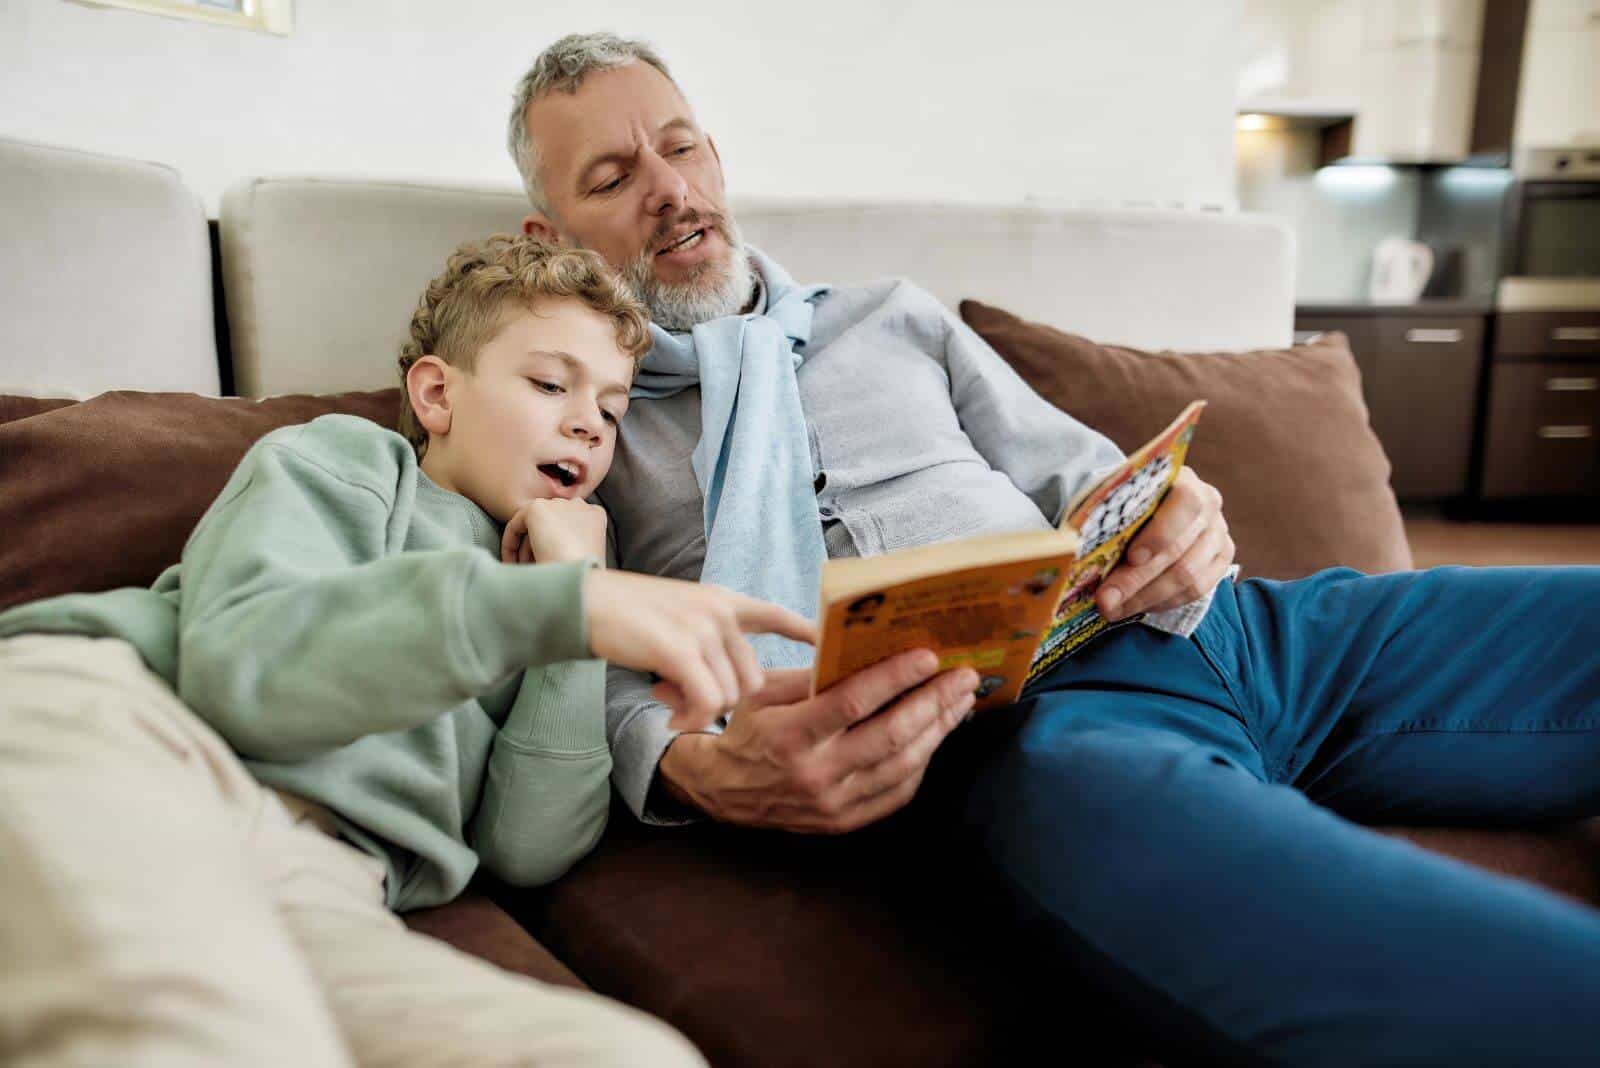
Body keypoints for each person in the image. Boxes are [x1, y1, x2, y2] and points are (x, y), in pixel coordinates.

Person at [503, 33, 1600, 1066]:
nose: (671, 190)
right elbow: (547, 650)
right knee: (1431, 959)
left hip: (1250, 631)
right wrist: (684, 763)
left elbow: (1084, 476)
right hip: (1034, 736)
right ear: (548, 241)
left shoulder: (887, 316)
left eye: (681, 144)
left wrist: (1181, 514)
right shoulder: (567, 423)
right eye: (611, 178)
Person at [0, 234, 815, 1066]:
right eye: (549, 384)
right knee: (201, 1036)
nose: (586, 422)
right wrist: (558, 605)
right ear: (435, 396)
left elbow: (528, 848)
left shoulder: (565, 593)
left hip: (332, 880)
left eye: (610, 411)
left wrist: (572, 612)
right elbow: (240, 670)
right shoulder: (348, 462)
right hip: (128, 735)